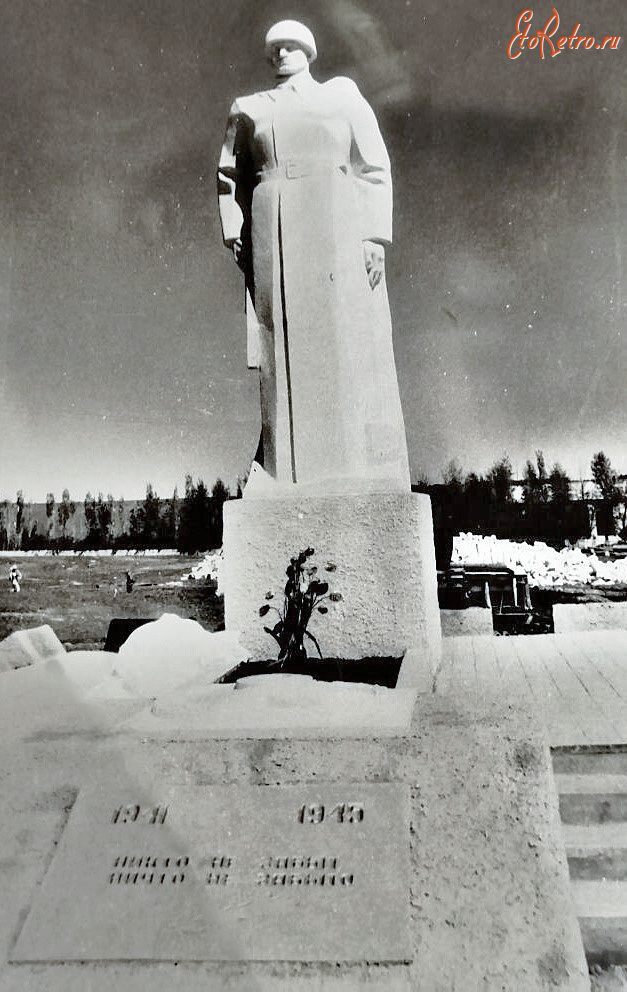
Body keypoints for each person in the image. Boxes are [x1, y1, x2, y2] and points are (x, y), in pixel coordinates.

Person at [217, 20, 410, 495]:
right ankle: (284, 472)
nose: (282, 53)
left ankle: (348, 467)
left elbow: (374, 166)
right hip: (272, 219)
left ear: (309, 50)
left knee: (341, 336)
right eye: (275, 47)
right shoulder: (250, 108)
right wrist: (235, 231)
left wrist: (374, 236)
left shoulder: (340, 95)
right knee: (279, 339)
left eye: (291, 45)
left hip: (334, 219)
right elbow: (228, 176)